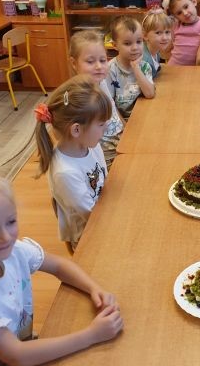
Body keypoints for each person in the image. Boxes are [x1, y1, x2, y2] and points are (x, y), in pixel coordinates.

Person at [0, 175, 123, 366]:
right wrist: (91, 335)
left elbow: (59, 266)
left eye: (11, 221)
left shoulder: (13, 252)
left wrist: (94, 288)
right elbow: (17, 355)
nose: (5, 236)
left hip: (21, 361)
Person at [34, 75, 112, 252]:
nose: (107, 126)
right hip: (88, 237)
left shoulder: (91, 145)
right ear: (76, 129)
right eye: (101, 124)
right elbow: (92, 217)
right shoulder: (65, 173)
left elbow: (105, 182)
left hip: (105, 215)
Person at [69, 30, 124, 169]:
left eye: (103, 60)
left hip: (120, 142)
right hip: (105, 155)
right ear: (74, 63)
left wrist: (125, 128)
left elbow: (112, 108)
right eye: (90, 61)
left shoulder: (101, 81)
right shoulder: (79, 97)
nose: (99, 66)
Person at [106, 16, 155, 119]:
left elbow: (150, 94)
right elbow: (109, 104)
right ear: (115, 45)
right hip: (120, 119)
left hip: (142, 114)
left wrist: (136, 68)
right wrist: (123, 124)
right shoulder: (110, 69)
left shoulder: (144, 66)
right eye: (127, 43)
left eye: (139, 41)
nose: (135, 48)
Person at [166, 0, 200, 66]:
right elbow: (168, 48)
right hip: (173, 66)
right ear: (176, 17)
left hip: (192, 69)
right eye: (179, 13)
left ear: (194, 2)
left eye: (186, 7)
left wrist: (197, 72)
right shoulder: (175, 26)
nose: (185, 13)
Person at [141, 9, 173, 77]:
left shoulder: (156, 51)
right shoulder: (144, 60)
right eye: (158, 33)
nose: (164, 38)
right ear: (145, 35)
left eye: (167, 32)